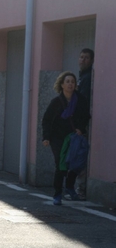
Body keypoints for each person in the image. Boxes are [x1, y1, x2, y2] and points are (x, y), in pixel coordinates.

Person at [42, 71, 90, 205]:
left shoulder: (81, 100)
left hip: (74, 137)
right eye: (67, 81)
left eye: (73, 82)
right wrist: (46, 137)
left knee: (75, 163)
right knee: (60, 163)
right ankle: (57, 194)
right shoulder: (56, 102)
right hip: (57, 138)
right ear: (62, 84)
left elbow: (86, 116)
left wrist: (81, 128)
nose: (70, 84)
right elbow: (46, 120)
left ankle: (69, 187)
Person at [75, 48, 94, 199]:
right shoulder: (82, 77)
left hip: (83, 124)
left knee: (80, 155)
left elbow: (83, 102)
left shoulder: (87, 78)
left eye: (86, 58)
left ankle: (81, 189)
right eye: (81, 57)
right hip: (80, 123)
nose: (83, 60)